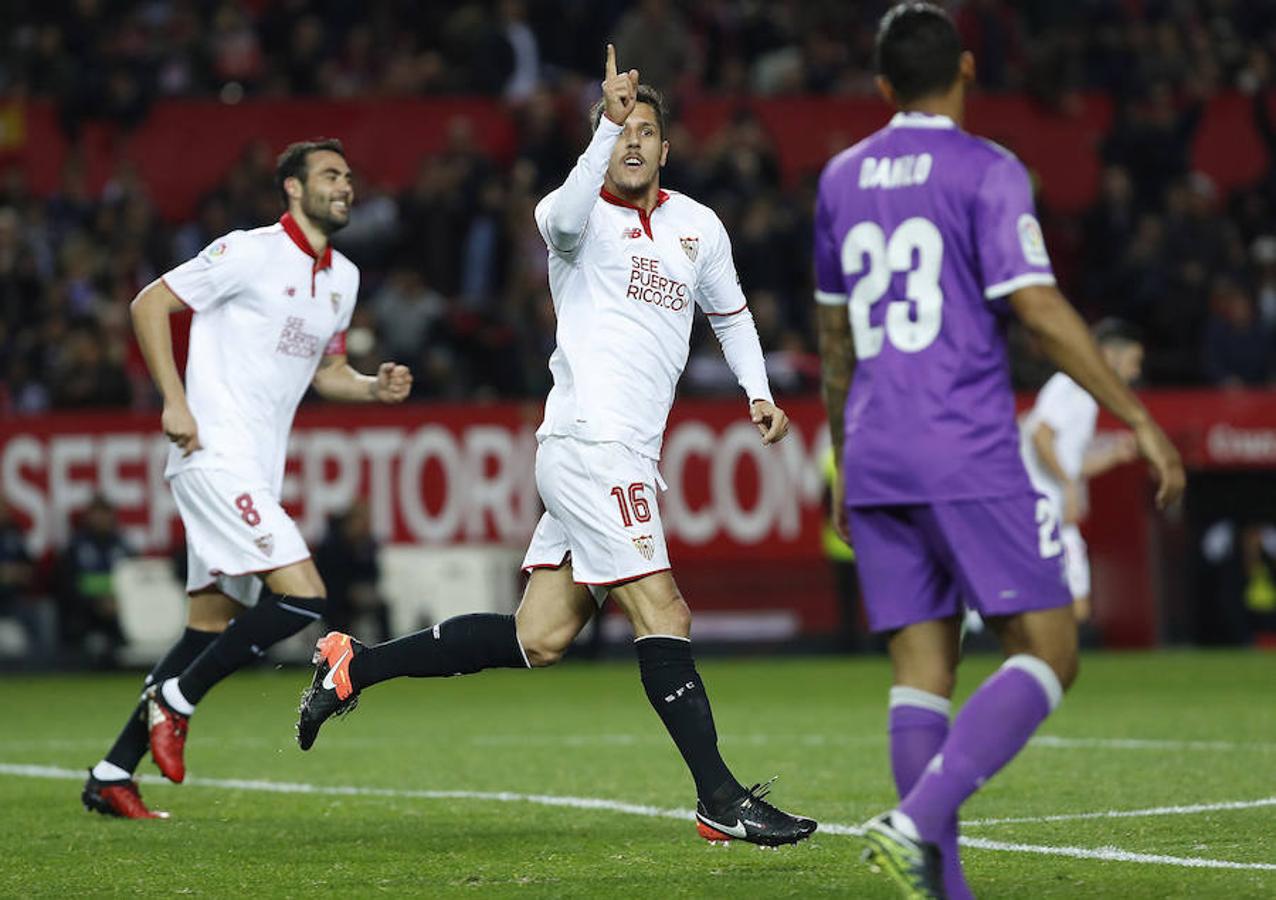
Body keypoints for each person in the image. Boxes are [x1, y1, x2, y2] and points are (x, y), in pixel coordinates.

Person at [297, 45, 817, 848]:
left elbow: (733, 315)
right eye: (621, 131)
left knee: (537, 637)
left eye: (646, 131)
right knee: (665, 609)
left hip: (625, 452)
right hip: (589, 444)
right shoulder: (570, 218)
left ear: (668, 149)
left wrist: (757, 391)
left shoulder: (697, 227)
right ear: (604, 141)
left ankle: (353, 666)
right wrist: (598, 135)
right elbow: (567, 216)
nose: (634, 142)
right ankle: (720, 798)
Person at [813, 6, 1185, 898]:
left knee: (922, 671)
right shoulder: (987, 169)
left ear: (881, 86)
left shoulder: (838, 178)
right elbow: (1042, 311)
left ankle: (946, 892)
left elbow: (834, 346)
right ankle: (911, 824)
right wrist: (1135, 416)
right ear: (968, 70)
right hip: (963, 447)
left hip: (875, 453)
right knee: (1052, 648)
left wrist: (841, 460)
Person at [82, 139, 413, 820]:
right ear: (293, 188)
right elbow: (150, 304)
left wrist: (370, 388)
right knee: (303, 598)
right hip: (213, 455)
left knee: (207, 628)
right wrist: (174, 400)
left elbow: (326, 372)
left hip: (254, 468)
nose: (344, 186)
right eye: (328, 176)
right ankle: (174, 704)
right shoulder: (249, 251)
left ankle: (112, 773)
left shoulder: (343, 278)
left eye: (348, 176)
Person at [1020, 319, 1144, 624]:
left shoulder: (1086, 395)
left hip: (1052, 509)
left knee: (1072, 605)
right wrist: (1068, 486)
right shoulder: (1070, 384)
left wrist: (1114, 454)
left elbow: (1071, 463)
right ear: (1109, 355)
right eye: (1133, 361)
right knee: (1067, 605)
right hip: (1043, 508)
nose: (1136, 371)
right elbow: (1041, 436)